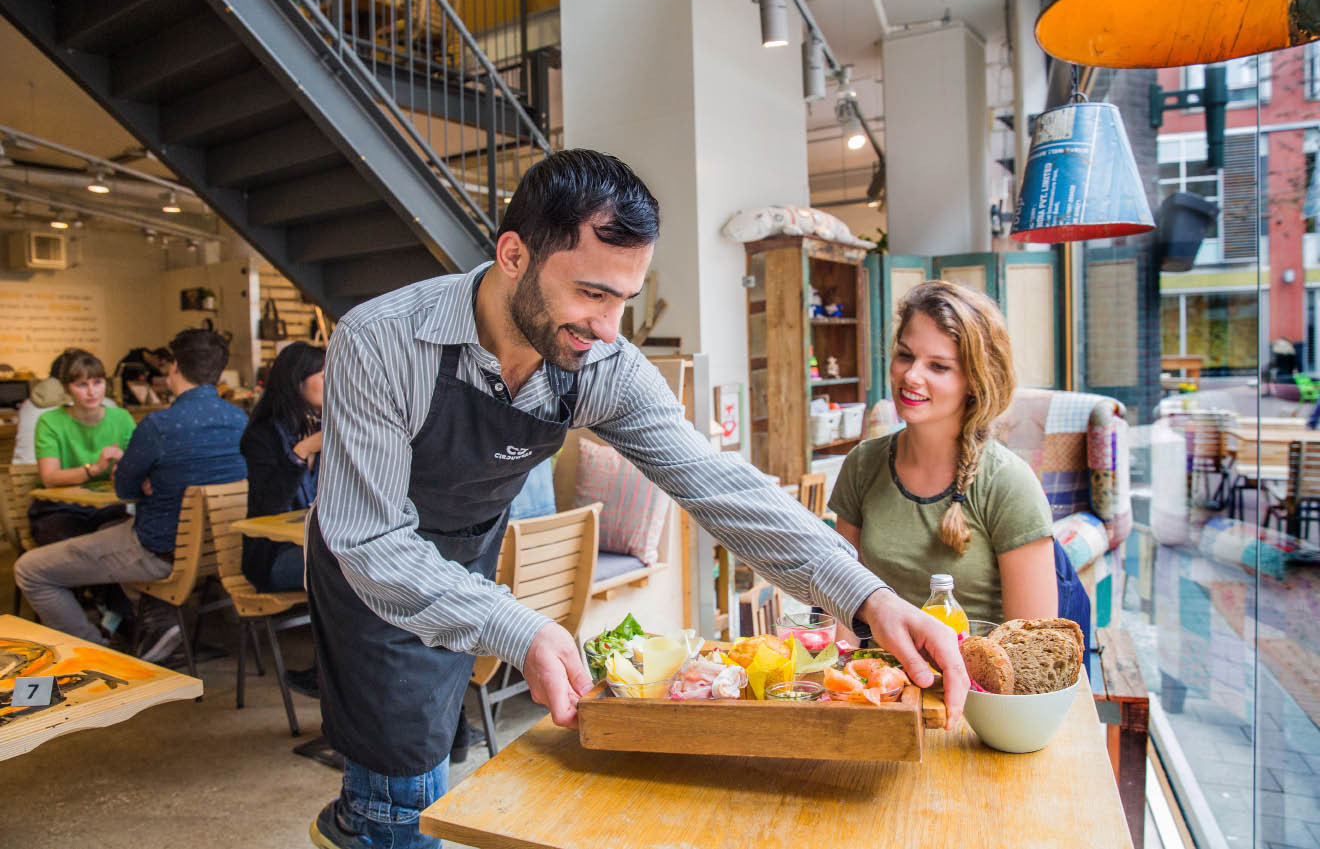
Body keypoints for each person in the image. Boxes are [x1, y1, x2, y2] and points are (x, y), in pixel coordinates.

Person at [305, 149, 969, 849]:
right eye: (592, 292)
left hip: (467, 553)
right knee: (403, 791)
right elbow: (369, 539)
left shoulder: (598, 363)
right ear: (512, 255)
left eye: (625, 297)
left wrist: (868, 596)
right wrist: (516, 623)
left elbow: (715, 482)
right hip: (372, 565)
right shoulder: (380, 342)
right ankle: (368, 821)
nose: (610, 327)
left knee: (431, 743)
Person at [828, 281, 1057, 626]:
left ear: (976, 382)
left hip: (975, 681)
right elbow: (842, 611)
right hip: (878, 678)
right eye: (905, 355)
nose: (911, 375)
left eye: (938, 366)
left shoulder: (1008, 483)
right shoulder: (862, 464)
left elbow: (1031, 648)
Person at [14, 329, 247, 657]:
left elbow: (124, 487)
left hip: (158, 552)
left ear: (175, 368)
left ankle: (100, 652)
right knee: (108, 530)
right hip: (217, 550)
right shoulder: (240, 419)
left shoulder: (160, 426)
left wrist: (147, 477)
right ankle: (153, 624)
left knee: (29, 570)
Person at [28, 349, 136, 546]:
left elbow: (140, 471)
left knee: (126, 539)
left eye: (97, 382)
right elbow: (50, 478)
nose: (91, 392)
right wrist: (95, 469)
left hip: (107, 508)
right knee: (73, 544)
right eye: (81, 385)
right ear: (66, 389)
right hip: (59, 509)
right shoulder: (50, 422)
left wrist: (125, 468)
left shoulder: (122, 418)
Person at [239, 341, 324, 593]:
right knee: (352, 566)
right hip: (273, 557)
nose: (334, 382)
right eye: (324, 375)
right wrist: (303, 451)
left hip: (316, 546)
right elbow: (268, 504)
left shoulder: (324, 430)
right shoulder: (262, 436)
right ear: (298, 381)